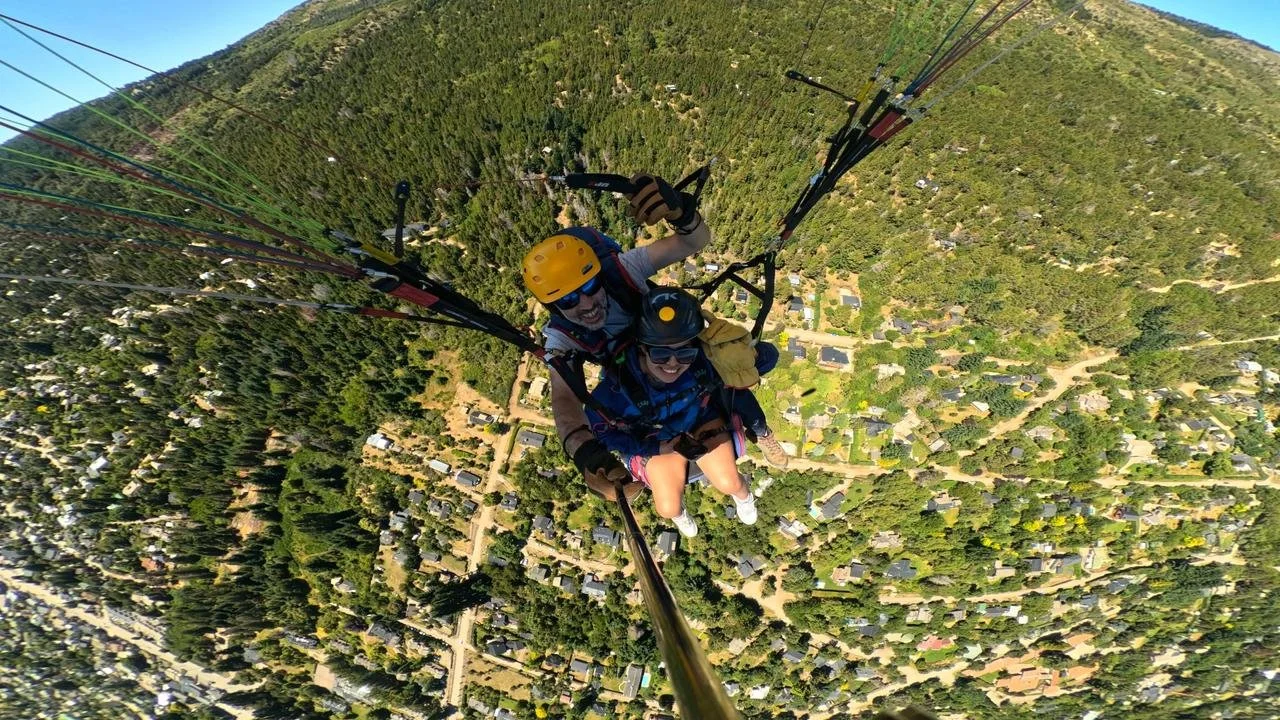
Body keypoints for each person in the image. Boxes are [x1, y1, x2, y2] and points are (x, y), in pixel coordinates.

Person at [521, 175, 789, 496]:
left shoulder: (622, 271)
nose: (586, 304)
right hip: (634, 373)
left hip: (669, 343)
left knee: (741, 364)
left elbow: (692, 241)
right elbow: (564, 400)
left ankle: (760, 429)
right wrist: (587, 454)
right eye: (567, 300)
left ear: (599, 275)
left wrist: (682, 214)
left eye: (590, 286)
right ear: (552, 307)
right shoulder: (561, 337)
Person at [582, 288, 771, 537]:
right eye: (661, 354)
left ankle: (744, 497)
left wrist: (741, 352)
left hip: (700, 420)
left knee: (730, 482)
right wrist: (653, 448)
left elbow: (769, 357)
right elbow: (602, 435)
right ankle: (679, 514)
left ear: (695, 348)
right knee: (668, 507)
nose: (673, 363)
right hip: (656, 437)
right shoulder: (616, 390)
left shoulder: (705, 360)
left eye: (684, 353)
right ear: (642, 349)